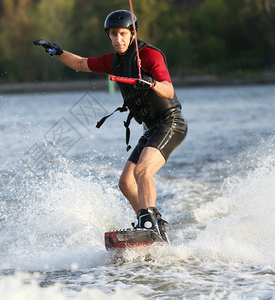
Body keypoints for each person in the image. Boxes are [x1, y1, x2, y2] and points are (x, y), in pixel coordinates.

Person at [34, 10, 187, 243]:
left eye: (123, 34)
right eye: (113, 35)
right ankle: (150, 227)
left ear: (132, 33)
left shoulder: (148, 55)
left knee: (142, 171)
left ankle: (150, 224)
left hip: (170, 122)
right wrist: (60, 52)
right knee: (125, 183)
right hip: (151, 127)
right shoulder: (113, 61)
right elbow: (80, 63)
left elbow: (169, 89)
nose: (118, 40)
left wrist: (152, 82)